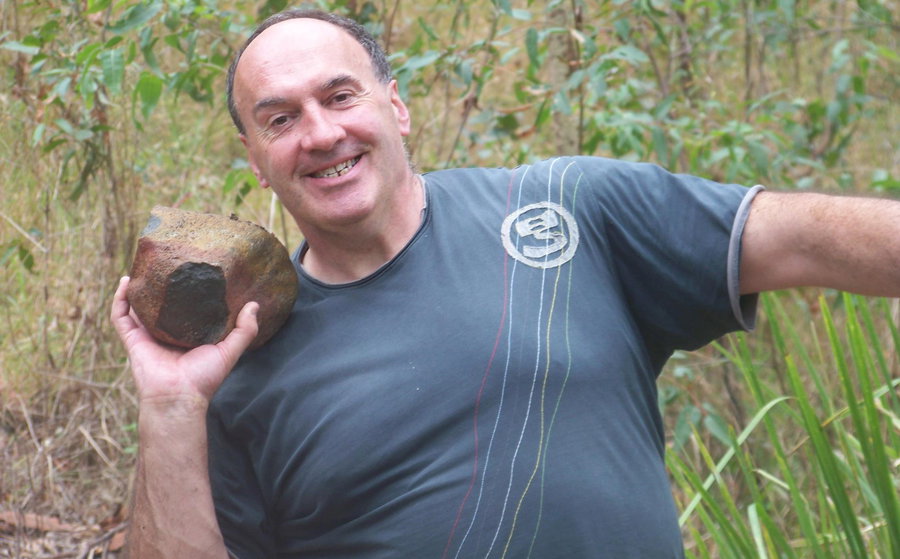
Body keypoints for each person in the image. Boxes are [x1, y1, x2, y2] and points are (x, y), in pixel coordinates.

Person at [110, 8, 900, 558]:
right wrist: (172, 407)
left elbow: (801, 239)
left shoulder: (567, 208)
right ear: (255, 159)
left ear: (397, 107)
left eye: (340, 96)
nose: (320, 133)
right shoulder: (242, 367)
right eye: (280, 119)